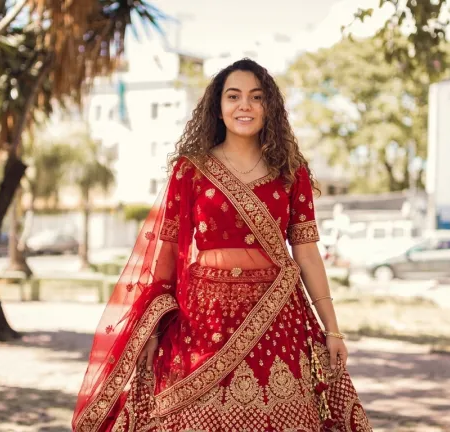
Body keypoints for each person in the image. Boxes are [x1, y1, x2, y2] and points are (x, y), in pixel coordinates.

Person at [72, 58, 373, 432]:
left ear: (270, 107)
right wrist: (151, 328)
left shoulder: (290, 172)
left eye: (256, 97)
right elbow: (165, 253)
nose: (244, 106)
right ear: (218, 106)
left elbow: (307, 251)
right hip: (202, 317)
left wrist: (332, 328)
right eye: (234, 96)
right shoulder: (191, 169)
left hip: (277, 318)